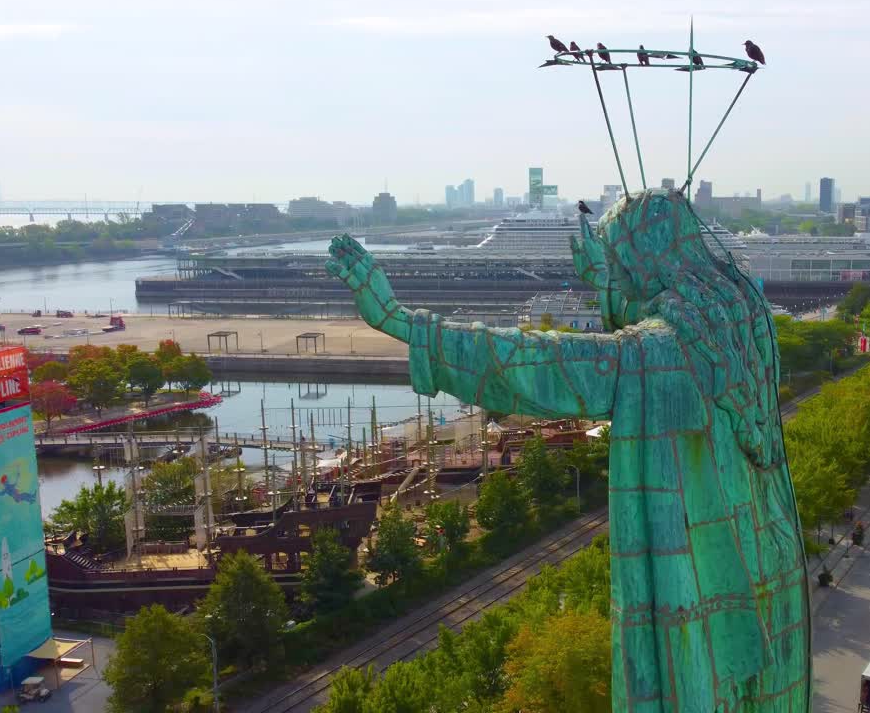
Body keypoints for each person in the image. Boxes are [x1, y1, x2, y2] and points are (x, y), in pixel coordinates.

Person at [328, 189, 810, 712]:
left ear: (644, 261)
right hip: (772, 572)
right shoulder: (745, 319)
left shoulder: (660, 355)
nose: (620, 285)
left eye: (622, 269)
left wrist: (399, 320)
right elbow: (651, 303)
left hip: (707, 607)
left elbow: (536, 364)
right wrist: (603, 277)